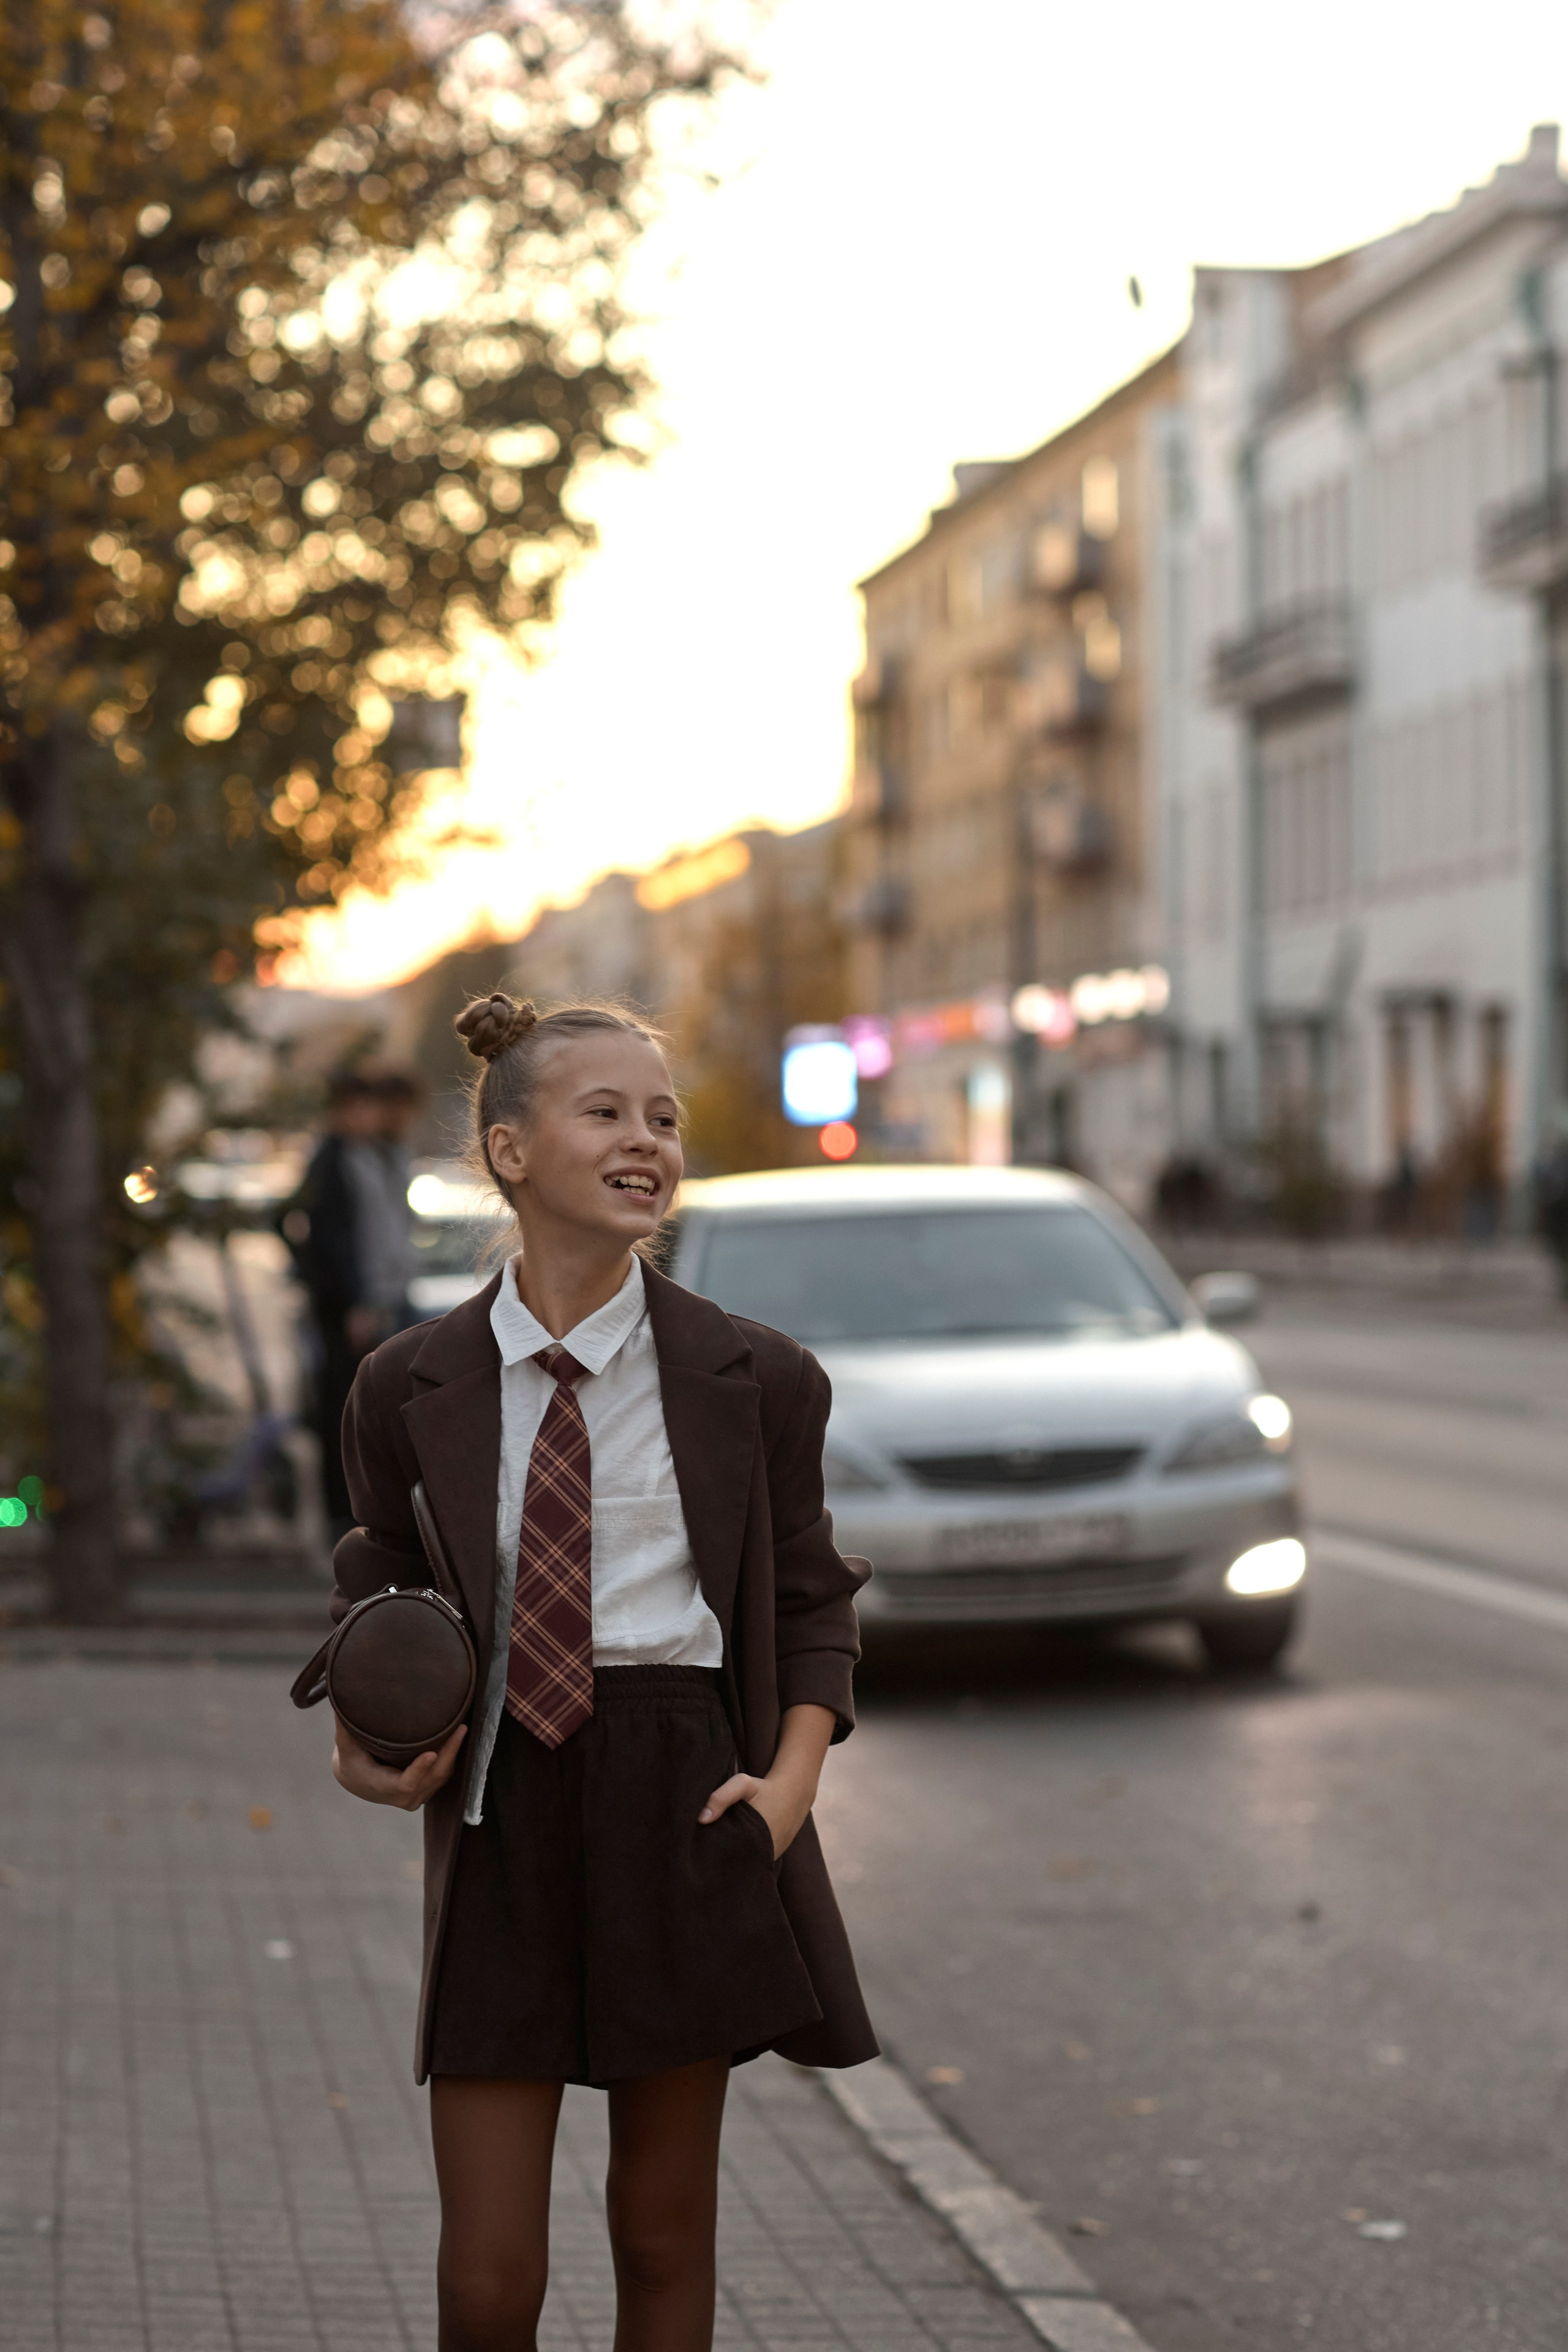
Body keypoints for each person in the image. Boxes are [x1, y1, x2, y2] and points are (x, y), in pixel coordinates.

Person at [326, 994, 876, 2352]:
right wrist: (363, 1747)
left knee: (660, 2234)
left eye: (663, 1119)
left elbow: (811, 1602)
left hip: (681, 1795)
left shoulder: (757, 1379)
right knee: (490, 2277)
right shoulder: (408, 1385)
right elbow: (377, 1593)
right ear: (509, 1152)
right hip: (501, 1807)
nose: (647, 1142)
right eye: (606, 1114)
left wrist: (786, 1787)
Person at [282, 1066, 423, 1540]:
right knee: (344, 1409)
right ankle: (342, 1516)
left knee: (381, 1408)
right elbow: (317, 1229)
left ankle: (371, 1509)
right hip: (349, 1308)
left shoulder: (380, 1155)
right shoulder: (332, 1160)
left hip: (383, 1299)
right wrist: (338, 1294)